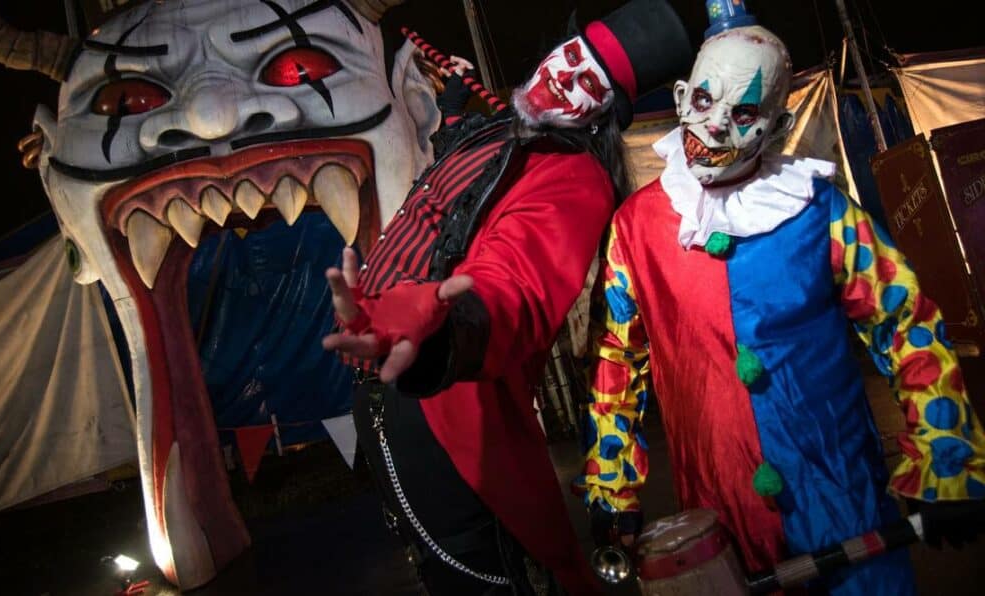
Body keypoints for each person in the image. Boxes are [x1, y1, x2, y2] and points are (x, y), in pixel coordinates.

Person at [575, 1, 985, 593]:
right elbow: (616, 360)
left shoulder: (821, 210)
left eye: (745, 114)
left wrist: (947, 457)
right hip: (719, 520)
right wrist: (612, 486)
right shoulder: (636, 228)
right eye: (706, 101)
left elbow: (907, 325)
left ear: (778, 128)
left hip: (842, 503)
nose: (716, 126)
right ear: (685, 94)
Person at [321, 1, 691, 593]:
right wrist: (449, 113)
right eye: (567, 58)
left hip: (451, 407)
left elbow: (515, 279)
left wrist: (444, 322)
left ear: (599, 115)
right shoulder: (502, 134)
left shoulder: (572, 177)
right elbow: (454, 198)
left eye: (585, 81)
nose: (561, 76)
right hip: (388, 395)